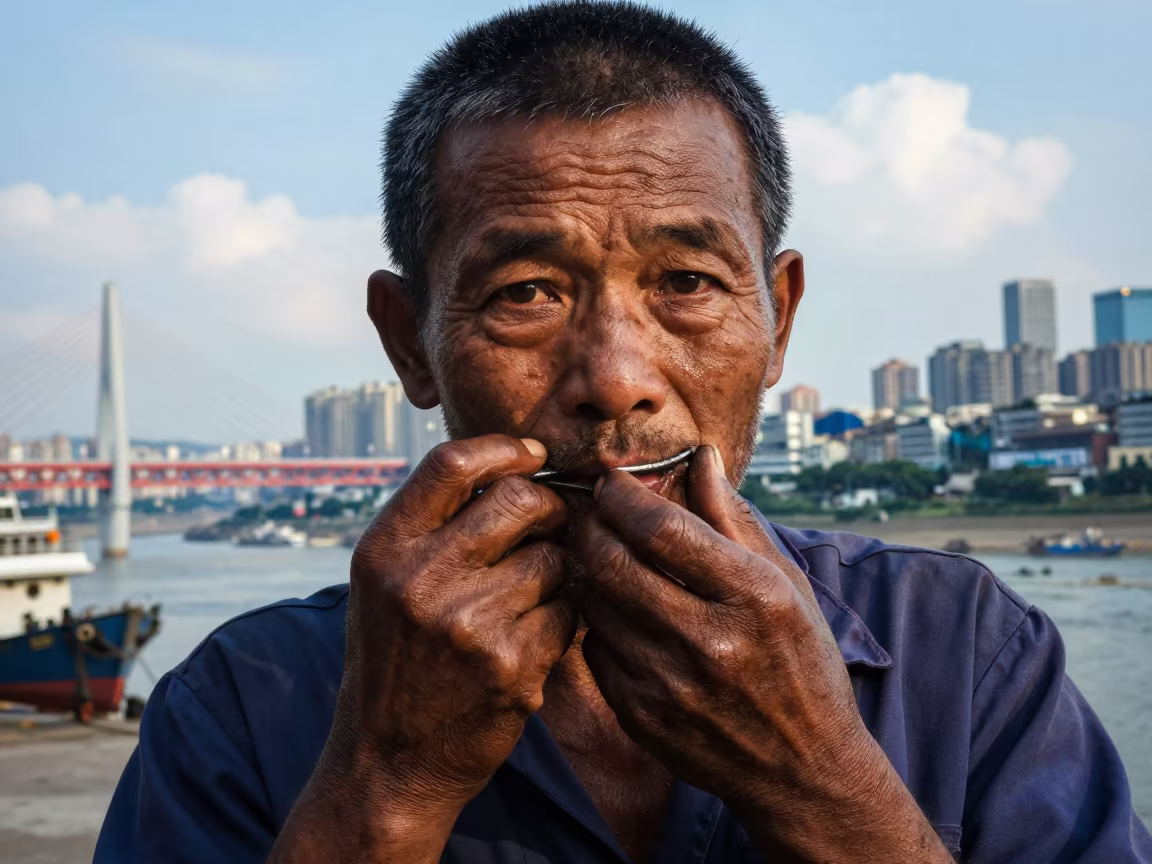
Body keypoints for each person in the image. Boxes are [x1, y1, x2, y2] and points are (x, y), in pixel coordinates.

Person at [96, 3, 1152, 862]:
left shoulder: (966, 653)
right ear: (410, 344)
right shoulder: (245, 704)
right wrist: (390, 784)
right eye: (524, 293)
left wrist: (823, 781)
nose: (615, 380)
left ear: (777, 319)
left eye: (688, 282)